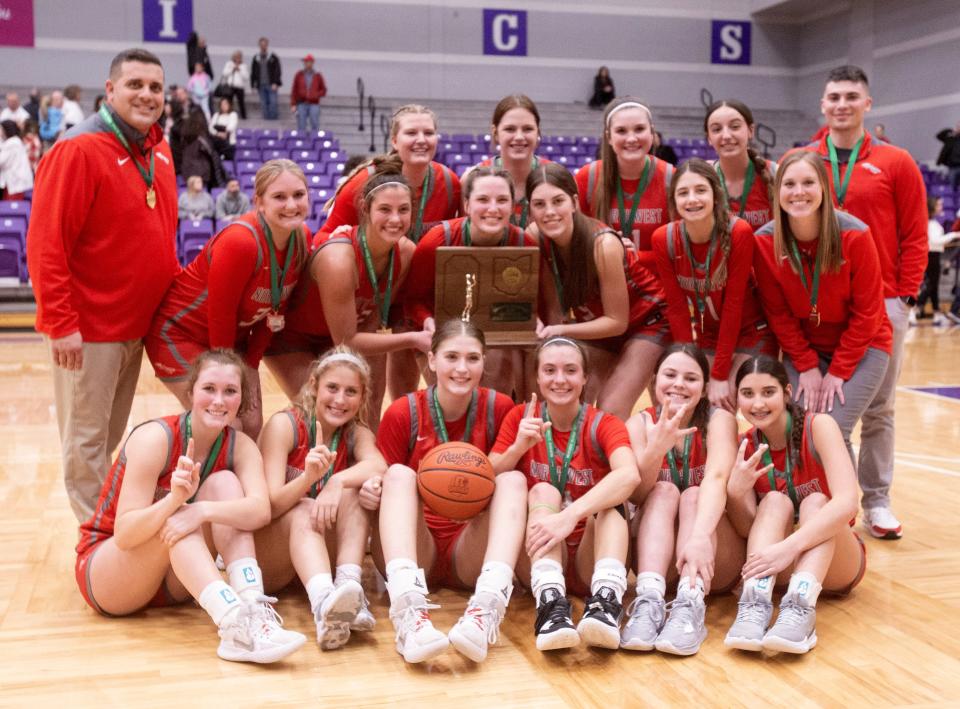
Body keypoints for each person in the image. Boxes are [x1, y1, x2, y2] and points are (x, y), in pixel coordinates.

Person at [75, 349, 306, 663]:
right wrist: (174, 501)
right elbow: (126, 534)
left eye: (230, 391)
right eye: (209, 389)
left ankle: (252, 606)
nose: (219, 400)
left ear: (242, 399)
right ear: (191, 392)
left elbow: (260, 511)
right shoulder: (155, 438)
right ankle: (234, 624)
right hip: (109, 572)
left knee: (224, 484)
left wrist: (203, 510)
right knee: (178, 518)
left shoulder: (241, 446)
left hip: (175, 579)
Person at [26, 48, 180, 522]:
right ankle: (96, 541)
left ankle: (108, 523)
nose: (146, 95)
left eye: (155, 87)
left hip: (135, 326)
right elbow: (46, 244)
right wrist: (61, 323)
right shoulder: (77, 148)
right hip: (89, 330)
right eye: (135, 85)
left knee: (107, 436)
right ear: (109, 90)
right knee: (87, 440)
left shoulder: (157, 148)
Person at [800, 65, 926, 539]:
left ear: (867, 105)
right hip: (817, 306)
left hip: (883, 303)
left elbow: (915, 233)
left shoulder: (897, 162)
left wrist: (906, 296)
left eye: (852, 96)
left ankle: (876, 501)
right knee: (820, 408)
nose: (842, 104)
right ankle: (828, 500)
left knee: (879, 410)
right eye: (834, 96)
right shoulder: (803, 159)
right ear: (822, 104)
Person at [753, 151, 891, 511]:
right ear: (777, 191)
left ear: (825, 189)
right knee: (801, 429)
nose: (799, 192)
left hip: (865, 346)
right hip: (808, 350)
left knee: (832, 427)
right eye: (789, 184)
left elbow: (869, 313)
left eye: (808, 183)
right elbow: (778, 313)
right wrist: (807, 365)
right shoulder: (765, 242)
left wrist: (840, 371)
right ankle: (812, 503)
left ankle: (846, 513)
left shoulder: (855, 235)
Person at [375, 320, 519, 663]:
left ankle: (485, 608)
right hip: (416, 547)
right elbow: (381, 481)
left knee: (514, 481)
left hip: (469, 548)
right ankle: (409, 611)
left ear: (485, 362)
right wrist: (370, 488)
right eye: (451, 357)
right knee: (396, 474)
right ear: (432, 360)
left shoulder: (500, 408)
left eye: (472, 358)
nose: (461, 368)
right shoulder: (403, 412)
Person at [492, 336, 638, 652]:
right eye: (550, 370)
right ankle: (550, 604)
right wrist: (518, 448)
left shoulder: (604, 423)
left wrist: (570, 515)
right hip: (537, 555)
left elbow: (629, 475)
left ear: (585, 378)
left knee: (612, 502)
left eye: (570, 370)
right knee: (543, 489)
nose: (560, 379)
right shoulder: (521, 417)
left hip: (590, 558)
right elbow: (487, 476)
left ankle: (606, 601)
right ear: (537, 377)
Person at [145, 159, 311, 437]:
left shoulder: (302, 238)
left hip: (231, 344)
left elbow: (273, 314)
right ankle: (188, 477)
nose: (291, 205)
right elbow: (220, 318)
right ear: (259, 202)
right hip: (180, 335)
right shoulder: (240, 242)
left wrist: (251, 365)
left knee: (252, 426)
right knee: (226, 426)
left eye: (298, 195)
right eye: (279, 197)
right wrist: (230, 377)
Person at [264, 173, 428, 428]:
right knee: (328, 419)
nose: (395, 219)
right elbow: (347, 340)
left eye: (403, 210)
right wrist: (414, 339)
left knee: (368, 396)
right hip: (295, 342)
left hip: (342, 338)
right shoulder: (338, 259)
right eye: (385, 209)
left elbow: (374, 315)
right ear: (365, 208)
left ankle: (369, 443)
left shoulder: (405, 252)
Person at [319, 104, 460, 401]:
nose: (421, 139)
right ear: (394, 141)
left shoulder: (449, 182)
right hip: (373, 290)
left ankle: (409, 422)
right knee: (375, 378)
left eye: (429, 132)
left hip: (417, 290)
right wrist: (344, 246)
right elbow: (324, 236)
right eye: (411, 132)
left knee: (433, 370)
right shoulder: (364, 182)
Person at [725, 355, 864, 655]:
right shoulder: (746, 445)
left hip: (838, 561)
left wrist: (790, 546)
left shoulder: (819, 426)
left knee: (817, 501)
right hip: (779, 566)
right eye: (748, 394)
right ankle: (754, 603)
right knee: (774, 501)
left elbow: (848, 504)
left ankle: (801, 608)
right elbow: (750, 530)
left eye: (768, 392)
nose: (758, 403)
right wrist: (735, 495)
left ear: (787, 393)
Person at [255, 347, 387, 650]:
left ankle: (347, 587)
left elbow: (380, 466)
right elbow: (269, 508)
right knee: (304, 506)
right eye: (332, 388)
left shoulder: (356, 433)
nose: (340, 400)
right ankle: (323, 607)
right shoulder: (284, 425)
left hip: (316, 556)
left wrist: (337, 481)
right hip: (272, 556)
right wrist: (308, 480)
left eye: (351, 391)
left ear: (363, 397)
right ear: (314, 385)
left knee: (357, 491)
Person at [622, 344, 741, 655]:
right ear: (654, 381)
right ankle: (648, 601)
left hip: (709, 555)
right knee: (663, 491)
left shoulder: (719, 420)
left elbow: (717, 478)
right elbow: (636, 494)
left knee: (694, 494)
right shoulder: (638, 424)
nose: (678, 384)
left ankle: (690, 603)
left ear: (703, 389)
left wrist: (700, 537)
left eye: (690, 378)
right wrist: (656, 448)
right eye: (670, 375)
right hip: (656, 561)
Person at [530, 162, 668, 420]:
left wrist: (561, 330)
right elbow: (554, 310)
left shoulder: (602, 244)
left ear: (573, 202)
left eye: (558, 201)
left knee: (610, 407)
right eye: (539, 204)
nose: (549, 212)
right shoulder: (536, 237)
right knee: (567, 395)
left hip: (648, 320)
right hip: (599, 326)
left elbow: (617, 322)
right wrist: (552, 337)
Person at [652, 158, 776, 412]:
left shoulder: (738, 231)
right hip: (710, 335)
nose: (692, 199)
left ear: (715, 195)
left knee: (723, 401)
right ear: (673, 200)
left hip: (752, 331)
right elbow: (676, 309)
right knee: (684, 396)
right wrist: (689, 365)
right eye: (683, 193)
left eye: (700, 190)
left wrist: (718, 375)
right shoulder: (663, 238)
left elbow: (733, 305)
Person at [404, 166, 537, 399]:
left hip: (496, 334)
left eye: (502, 200)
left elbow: (533, 301)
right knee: (453, 396)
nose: (493, 208)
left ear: (513, 206)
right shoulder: (437, 240)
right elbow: (412, 299)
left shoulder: (523, 242)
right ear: (466, 205)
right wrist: (426, 320)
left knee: (492, 393)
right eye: (483, 199)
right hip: (443, 332)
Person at [575, 97, 673, 271]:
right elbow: (574, 240)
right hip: (602, 285)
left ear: (652, 132)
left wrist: (638, 255)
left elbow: (681, 248)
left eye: (639, 129)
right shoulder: (587, 177)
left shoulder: (670, 177)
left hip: (656, 289)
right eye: (621, 131)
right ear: (609, 137)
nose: (631, 138)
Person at [472, 94, 547, 230]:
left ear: (538, 133)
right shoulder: (474, 178)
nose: (519, 137)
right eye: (510, 129)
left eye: (527, 129)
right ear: (495, 133)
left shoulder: (556, 179)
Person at [704, 99, 777, 231]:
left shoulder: (775, 174)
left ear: (751, 130)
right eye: (716, 129)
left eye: (735, 127)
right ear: (709, 138)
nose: (726, 135)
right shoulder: (704, 180)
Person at [914, 196, 958, 326]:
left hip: (935, 255)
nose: (941, 207)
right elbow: (935, 241)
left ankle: (936, 312)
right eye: (938, 205)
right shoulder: (928, 224)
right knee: (930, 285)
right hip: (930, 255)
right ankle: (914, 307)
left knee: (933, 286)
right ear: (932, 207)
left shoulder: (933, 223)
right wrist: (955, 235)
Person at [180, 110, 225, 190]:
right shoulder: (201, 137)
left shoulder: (184, 137)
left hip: (187, 171)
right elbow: (210, 152)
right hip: (202, 172)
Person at [291, 54, 326, 133]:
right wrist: (293, 104)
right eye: (306, 62)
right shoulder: (299, 75)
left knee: (314, 123)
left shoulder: (318, 76)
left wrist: (316, 95)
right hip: (301, 103)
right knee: (301, 124)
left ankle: (315, 141)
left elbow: (323, 90)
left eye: (309, 62)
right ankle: (301, 141)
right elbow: (294, 90)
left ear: (312, 63)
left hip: (314, 103)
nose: (307, 64)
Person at [0, 120, 34, 199]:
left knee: (11, 209)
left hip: (15, 183)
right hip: (15, 183)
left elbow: (1, 161)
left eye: (0, 129)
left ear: (6, 130)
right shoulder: (14, 141)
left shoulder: (12, 143)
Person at [251, 37, 282, 120]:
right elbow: (253, 72)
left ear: (267, 45)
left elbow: (277, 71)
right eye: (261, 45)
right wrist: (253, 85)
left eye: (264, 45)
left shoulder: (273, 57)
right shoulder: (256, 58)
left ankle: (273, 121)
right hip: (261, 84)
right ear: (259, 46)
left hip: (271, 84)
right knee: (263, 104)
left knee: (273, 103)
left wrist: (276, 82)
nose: (263, 46)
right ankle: (266, 121)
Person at [220, 50, 249, 120]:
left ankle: (243, 116)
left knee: (241, 102)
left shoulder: (244, 65)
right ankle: (228, 114)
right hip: (230, 86)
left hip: (239, 87)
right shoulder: (229, 64)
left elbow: (246, 77)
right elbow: (224, 73)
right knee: (229, 101)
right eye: (236, 57)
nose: (237, 59)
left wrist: (240, 70)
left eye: (239, 57)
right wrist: (232, 69)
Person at [209, 96, 238, 160]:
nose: (223, 106)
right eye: (222, 104)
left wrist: (225, 131)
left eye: (225, 104)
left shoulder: (233, 114)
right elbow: (210, 128)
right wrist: (218, 133)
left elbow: (231, 127)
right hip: (216, 143)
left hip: (228, 144)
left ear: (229, 105)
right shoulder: (216, 115)